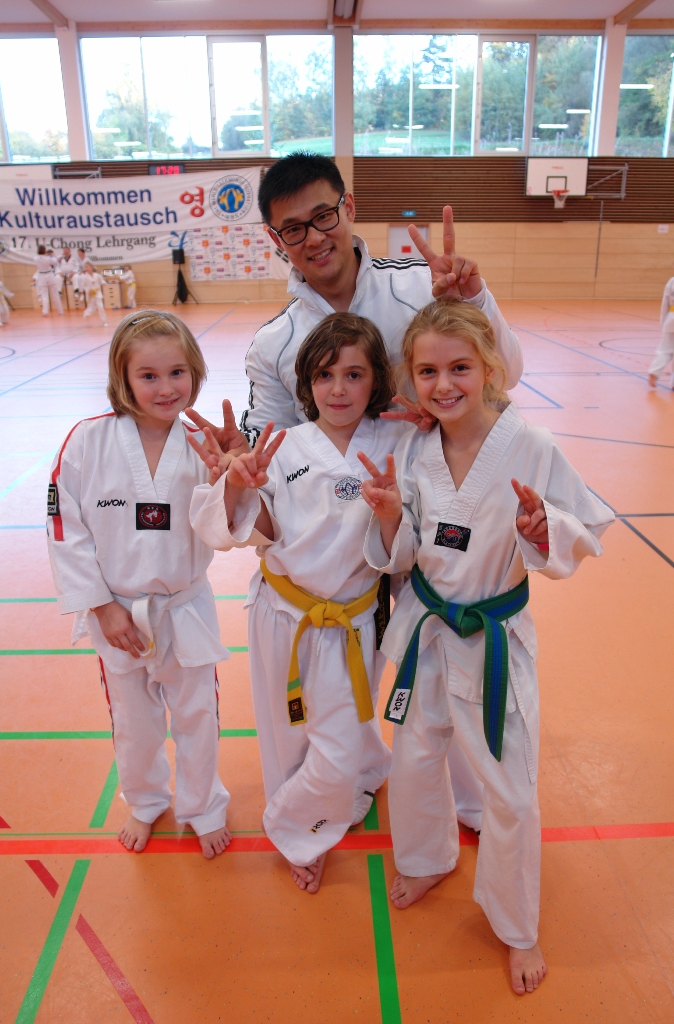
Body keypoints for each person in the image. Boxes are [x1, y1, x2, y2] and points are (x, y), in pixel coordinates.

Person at [187, 153, 526, 831]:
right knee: (355, 678)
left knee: (452, 659)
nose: (314, 237)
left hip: (437, 507)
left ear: (349, 207)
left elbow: (504, 374)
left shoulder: (418, 286)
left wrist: (470, 300)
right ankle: (344, 784)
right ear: (274, 239)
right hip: (351, 533)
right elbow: (271, 442)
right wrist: (237, 461)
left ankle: (470, 799)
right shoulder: (275, 341)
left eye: (323, 216)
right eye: (293, 228)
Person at [358, 298, 614, 995]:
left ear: (490, 368)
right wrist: (389, 515)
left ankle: (516, 925)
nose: (444, 385)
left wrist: (543, 530)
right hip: (426, 625)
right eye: (428, 372)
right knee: (415, 757)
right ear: (411, 379)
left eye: (460, 368)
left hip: (492, 637)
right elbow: (405, 550)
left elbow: (585, 526)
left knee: (510, 791)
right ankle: (425, 859)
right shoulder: (416, 447)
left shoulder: (531, 445)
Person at [190, 313, 407, 893]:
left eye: (354, 374)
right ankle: (311, 815)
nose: (338, 389)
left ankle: (301, 823)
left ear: (376, 379)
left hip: (356, 617)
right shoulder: (284, 447)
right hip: (285, 615)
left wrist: (392, 515)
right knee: (287, 731)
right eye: (324, 375)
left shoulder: (397, 442)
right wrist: (240, 486)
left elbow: (402, 545)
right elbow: (261, 530)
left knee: (340, 734)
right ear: (306, 382)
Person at [46, 310, 239, 858]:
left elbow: (223, 531)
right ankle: (147, 800)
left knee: (199, 716)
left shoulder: (204, 444)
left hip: (185, 607)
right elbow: (65, 527)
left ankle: (203, 806)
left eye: (177, 372)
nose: (165, 387)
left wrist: (228, 478)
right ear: (123, 378)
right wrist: (100, 607)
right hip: (118, 612)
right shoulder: (87, 442)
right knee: (133, 722)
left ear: (195, 372)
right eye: (148, 375)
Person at [648, 273, 674, 388]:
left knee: (665, 350)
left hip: (671, 318)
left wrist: (663, 321)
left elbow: (665, 303)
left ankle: (654, 372)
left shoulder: (672, 281)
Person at [33, 244, 63, 316]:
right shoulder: (48, 258)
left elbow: (40, 258)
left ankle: (45, 312)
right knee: (55, 294)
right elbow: (55, 262)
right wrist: (52, 256)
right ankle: (60, 311)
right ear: (44, 250)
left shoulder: (35, 258)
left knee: (44, 295)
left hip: (42, 276)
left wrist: (46, 256)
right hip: (50, 275)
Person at [78, 262, 108, 326]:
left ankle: (104, 322)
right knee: (92, 308)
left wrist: (103, 283)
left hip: (97, 293)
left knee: (101, 307)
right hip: (90, 294)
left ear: (91, 267)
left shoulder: (97, 275)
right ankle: (86, 314)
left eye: (87, 266)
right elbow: (83, 286)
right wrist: (88, 291)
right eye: (85, 267)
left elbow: (102, 281)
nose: (86, 268)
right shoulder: (84, 277)